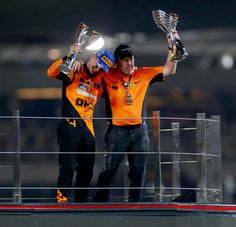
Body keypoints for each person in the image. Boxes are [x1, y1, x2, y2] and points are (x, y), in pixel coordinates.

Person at [93, 32, 180, 202]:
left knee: (139, 170)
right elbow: (91, 72)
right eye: (124, 59)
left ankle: (135, 204)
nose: (129, 62)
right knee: (109, 170)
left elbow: (170, 70)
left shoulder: (143, 73)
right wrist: (94, 59)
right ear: (116, 61)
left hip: (139, 130)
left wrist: (172, 46)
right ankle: (99, 203)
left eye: (131, 58)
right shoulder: (107, 74)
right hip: (116, 131)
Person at [47, 44, 115, 203]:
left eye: (102, 68)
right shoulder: (75, 69)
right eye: (98, 65)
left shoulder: (100, 79)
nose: (98, 69)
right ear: (93, 57)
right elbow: (51, 73)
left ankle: (81, 203)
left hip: (88, 129)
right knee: (67, 167)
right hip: (70, 125)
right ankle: (62, 202)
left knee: (87, 170)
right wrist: (69, 56)